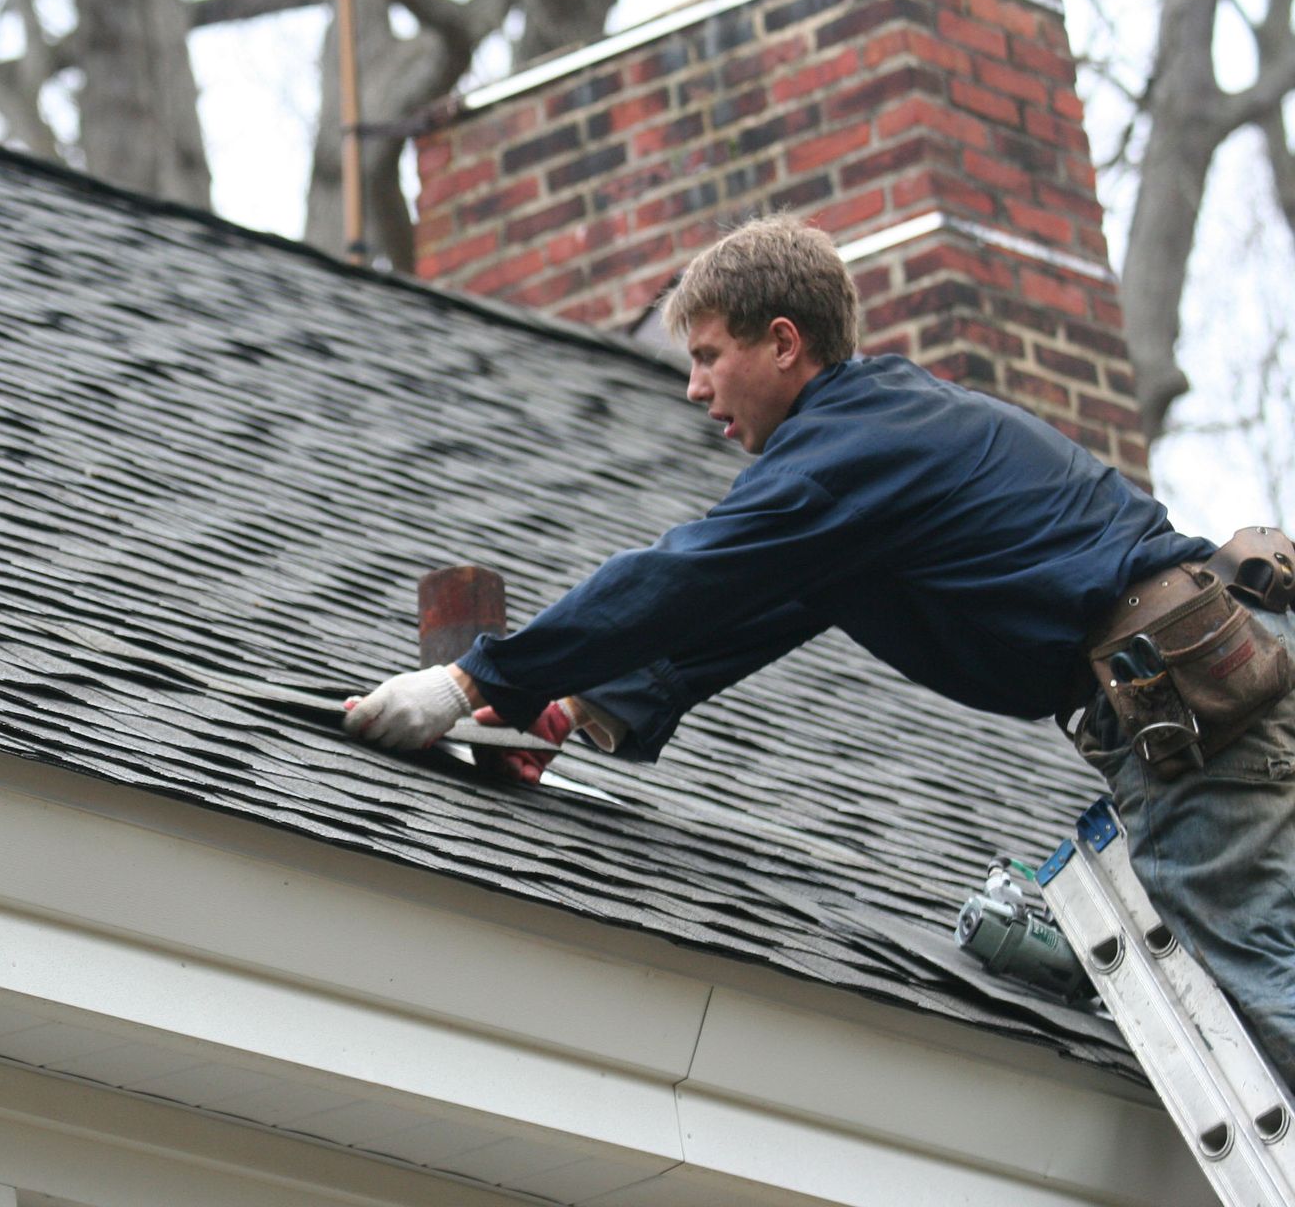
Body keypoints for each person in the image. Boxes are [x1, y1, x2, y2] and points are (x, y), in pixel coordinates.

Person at [342, 213, 1295, 1083]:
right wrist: (576, 705)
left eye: (710, 355)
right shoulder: (885, 437)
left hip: (1202, 719)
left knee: (1260, 977)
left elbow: (687, 572)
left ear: (784, 344)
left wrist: (474, 678)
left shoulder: (849, 452)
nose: (694, 387)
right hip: (1225, 671)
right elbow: (768, 601)